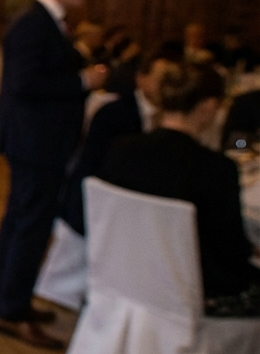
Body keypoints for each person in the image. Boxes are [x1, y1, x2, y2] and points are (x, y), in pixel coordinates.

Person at [0, 0, 108, 349]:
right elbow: (24, 84)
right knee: (29, 225)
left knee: (22, 221)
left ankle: (10, 300)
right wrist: (81, 83)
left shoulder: (48, 23)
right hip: (35, 142)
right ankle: (10, 309)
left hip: (37, 141)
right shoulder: (33, 23)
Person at [99, 63, 260, 316]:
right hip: (193, 291)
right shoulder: (216, 169)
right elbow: (231, 253)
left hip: (126, 274)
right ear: (208, 106)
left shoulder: (122, 148)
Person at [59, 51, 173, 236]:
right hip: (96, 209)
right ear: (141, 78)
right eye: (161, 79)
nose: (167, 87)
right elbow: (99, 165)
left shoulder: (173, 115)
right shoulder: (114, 113)